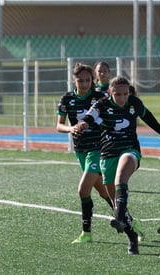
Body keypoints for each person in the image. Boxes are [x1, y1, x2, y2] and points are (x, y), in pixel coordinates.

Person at [77, 76, 160, 254]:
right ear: (110, 93)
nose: (122, 98)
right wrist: (84, 123)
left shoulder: (134, 103)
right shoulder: (102, 104)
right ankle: (131, 237)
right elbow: (91, 116)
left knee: (121, 177)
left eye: (125, 94)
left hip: (130, 150)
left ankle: (119, 218)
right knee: (115, 201)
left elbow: (148, 117)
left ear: (129, 92)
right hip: (107, 154)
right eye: (118, 94)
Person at [56, 63, 115, 244]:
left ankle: (86, 233)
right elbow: (59, 125)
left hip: (98, 148)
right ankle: (128, 221)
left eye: (87, 80)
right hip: (80, 150)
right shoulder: (66, 99)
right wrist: (71, 128)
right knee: (104, 192)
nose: (83, 84)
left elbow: (110, 118)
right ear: (74, 80)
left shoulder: (100, 98)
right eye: (80, 80)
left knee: (83, 190)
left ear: (92, 80)